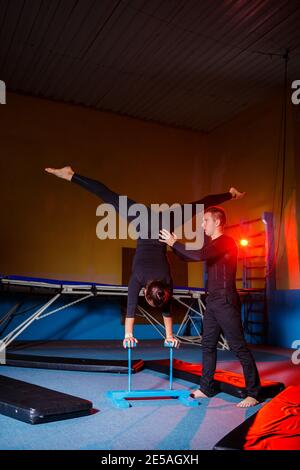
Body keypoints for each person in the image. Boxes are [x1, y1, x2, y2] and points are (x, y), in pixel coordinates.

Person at [45, 166, 245, 350]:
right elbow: (131, 307)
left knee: (197, 205)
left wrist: (169, 335)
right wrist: (128, 335)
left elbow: (165, 309)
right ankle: (70, 174)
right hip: (145, 221)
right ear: (145, 291)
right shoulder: (138, 278)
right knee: (110, 198)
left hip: (163, 223)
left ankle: (231, 194)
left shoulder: (165, 282)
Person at [159, 206, 261, 408]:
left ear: (218, 222)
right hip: (213, 301)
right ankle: (206, 388)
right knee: (207, 345)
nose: (202, 224)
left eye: (206, 220)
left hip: (225, 301)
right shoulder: (212, 243)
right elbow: (190, 257)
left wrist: (175, 242)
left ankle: (254, 393)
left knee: (239, 347)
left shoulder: (226, 242)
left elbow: (197, 256)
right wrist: (172, 245)